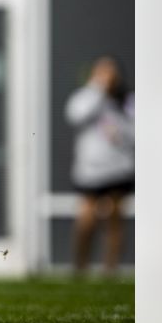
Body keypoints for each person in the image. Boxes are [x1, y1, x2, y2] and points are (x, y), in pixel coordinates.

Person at [65, 56, 135, 276]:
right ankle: (80, 267)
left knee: (114, 220)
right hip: (90, 170)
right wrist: (98, 90)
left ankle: (109, 269)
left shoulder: (126, 101)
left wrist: (120, 133)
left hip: (117, 169)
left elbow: (136, 133)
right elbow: (76, 115)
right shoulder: (86, 97)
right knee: (86, 218)